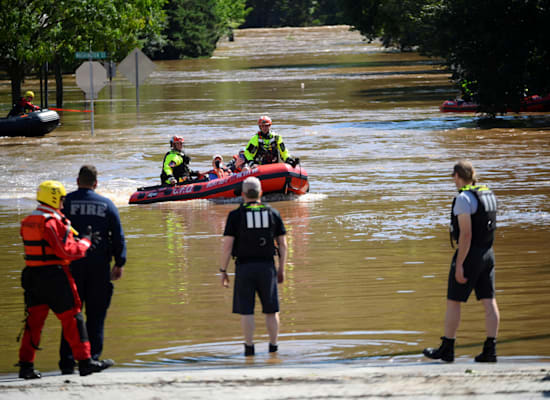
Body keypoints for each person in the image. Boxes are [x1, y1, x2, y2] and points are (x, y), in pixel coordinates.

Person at [17, 180, 112, 379]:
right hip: (55, 277)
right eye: (61, 199)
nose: (63, 203)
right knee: (73, 319)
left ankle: (26, 366)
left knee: (33, 323)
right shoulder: (52, 222)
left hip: (33, 278)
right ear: (53, 198)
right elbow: (66, 251)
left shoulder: (29, 220)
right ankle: (85, 362)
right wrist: (85, 242)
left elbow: (46, 246)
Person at [423, 160, 500, 363]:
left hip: (470, 255)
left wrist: (460, 264)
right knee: (489, 301)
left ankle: (447, 348)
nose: (453, 180)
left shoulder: (464, 199)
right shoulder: (488, 193)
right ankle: (490, 350)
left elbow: (465, 235)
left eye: (453, 176)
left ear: (457, 176)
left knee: (454, 302)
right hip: (488, 253)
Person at [58, 165, 126, 375]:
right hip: (99, 267)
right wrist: (119, 262)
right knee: (96, 315)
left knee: (71, 315)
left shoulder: (65, 203)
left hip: (70, 267)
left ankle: (67, 362)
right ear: (96, 183)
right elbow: (117, 235)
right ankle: (91, 359)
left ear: (77, 181)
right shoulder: (106, 205)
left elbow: (54, 230)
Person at [219, 176, 287, 356]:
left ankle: (249, 349)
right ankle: (273, 348)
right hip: (267, 267)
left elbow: (227, 246)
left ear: (242, 194)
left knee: (246, 311)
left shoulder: (235, 216)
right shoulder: (273, 213)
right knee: (272, 310)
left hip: (244, 268)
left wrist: (223, 270)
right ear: (261, 192)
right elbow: (283, 244)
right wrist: (282, 269)